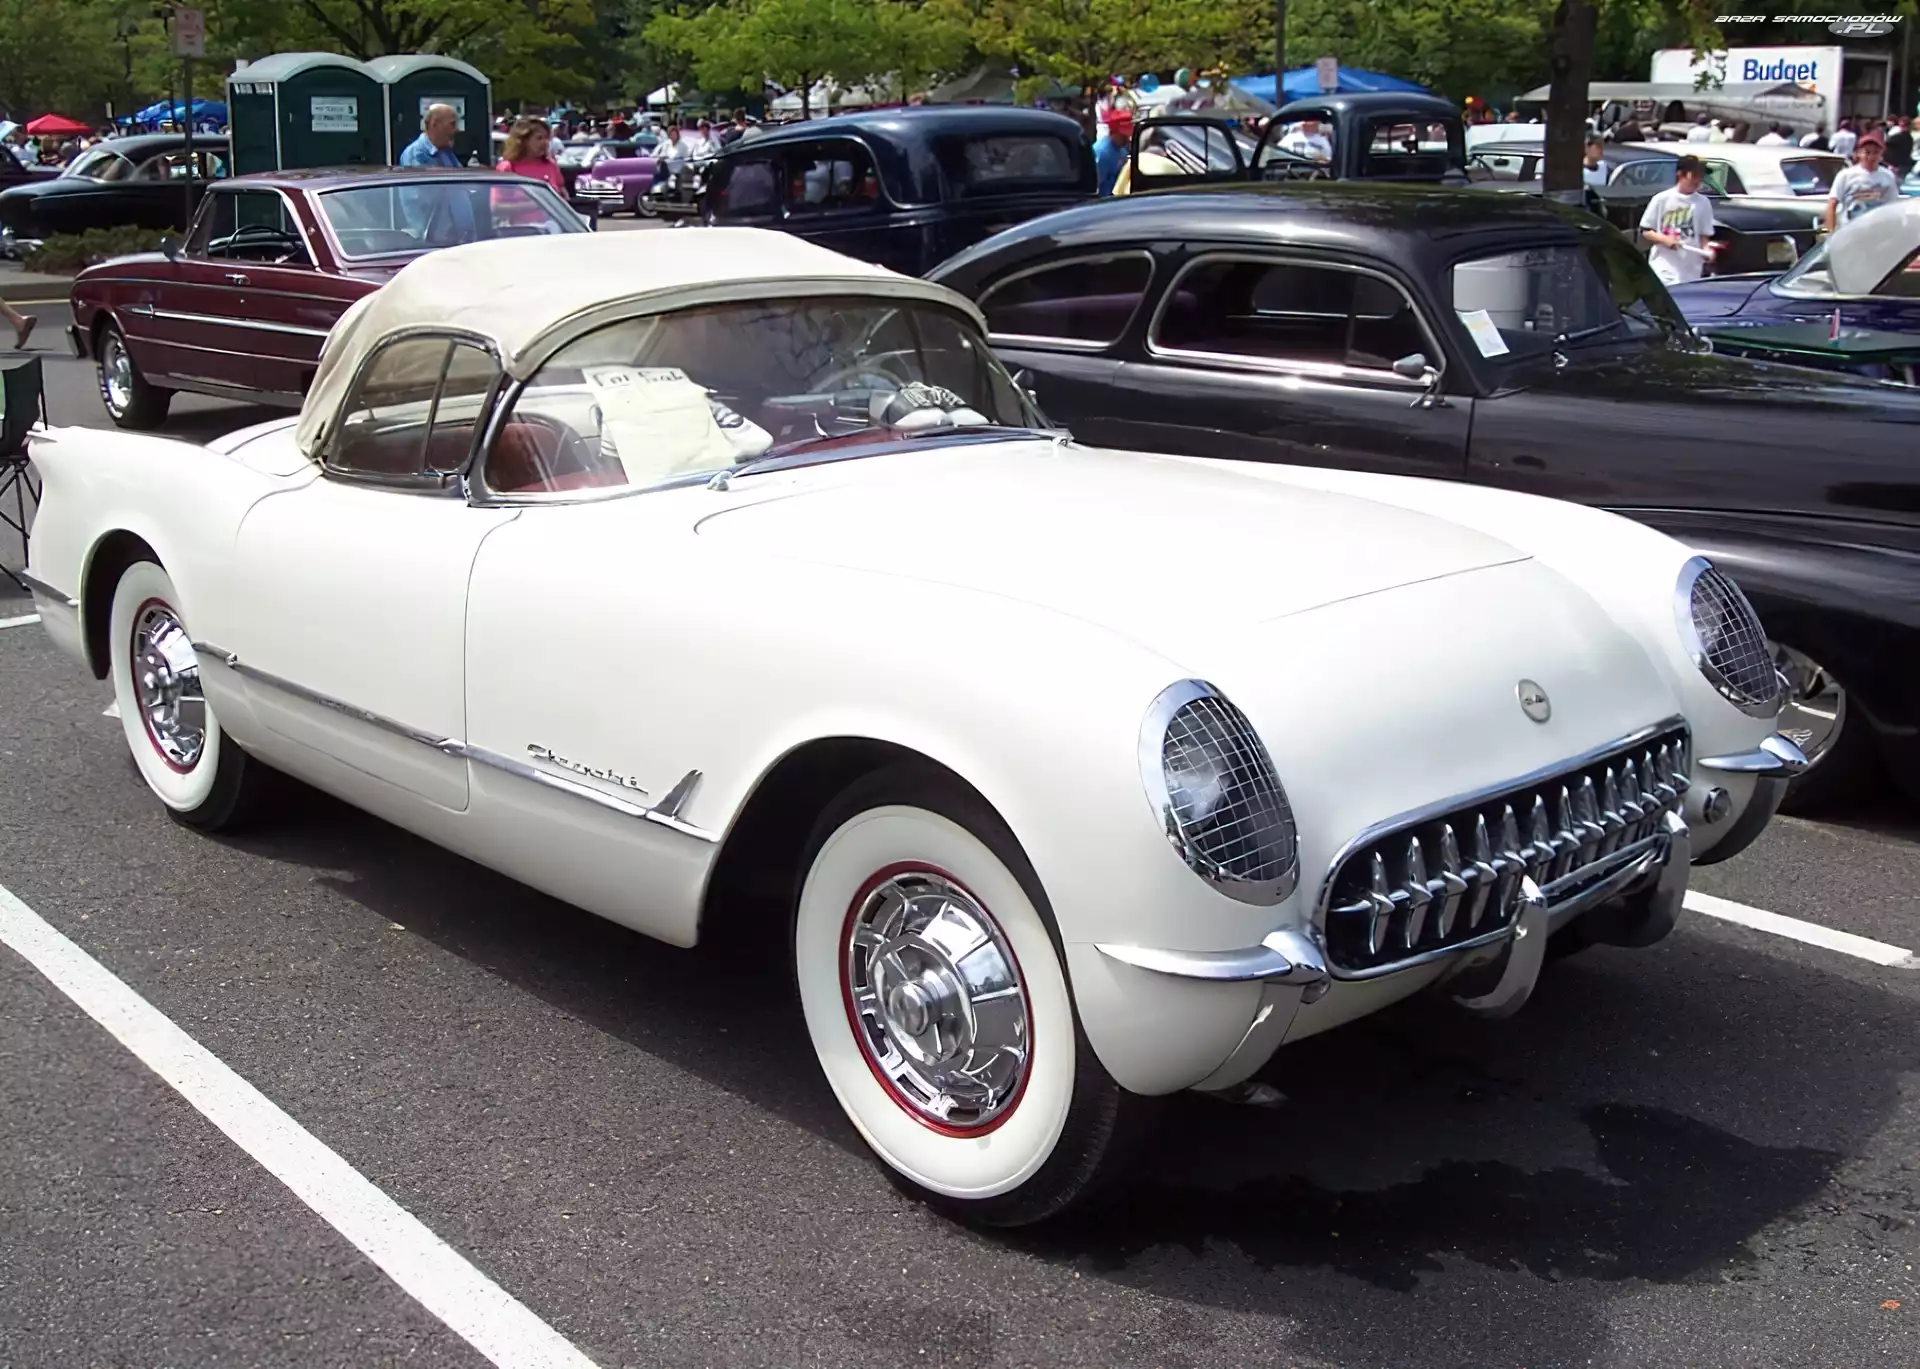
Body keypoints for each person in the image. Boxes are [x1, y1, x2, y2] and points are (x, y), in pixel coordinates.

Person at [1641, 153, 1717, 286]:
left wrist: (1707, 251)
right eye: (1693, 175)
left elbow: (1704, 236)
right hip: (1663, 267)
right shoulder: (1661, 199)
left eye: (1700, 176)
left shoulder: (1703, 203)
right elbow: (1646, 231)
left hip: (1691, 270)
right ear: (1680, 174)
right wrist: (1665, 240)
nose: (1697, 180)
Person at [1826, 130, 1899, 231]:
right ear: (1859, 153)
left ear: (1881, 154)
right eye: (1867, 152)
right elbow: (1832, 203)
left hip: (1877, 229)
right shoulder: (1846, 175)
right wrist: (1830, 231)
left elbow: (1892, 205)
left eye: (1875, 153)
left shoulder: (1887, 176)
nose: (1871, 157)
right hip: (1850, 229)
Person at [495, 115, 564, 194]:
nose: (545, 142)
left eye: (547, 138)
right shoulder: (508, 167)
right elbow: (499, 200)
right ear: (523, 141)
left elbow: (562, 193)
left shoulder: (551, 165)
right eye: (539, 138)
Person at [1093, 106, 1133, 195]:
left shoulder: (1122, 149)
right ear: (1113, 132)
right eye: (1123, 136)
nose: (1127, 139)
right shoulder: (1102, 154)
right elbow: (1095, 186)